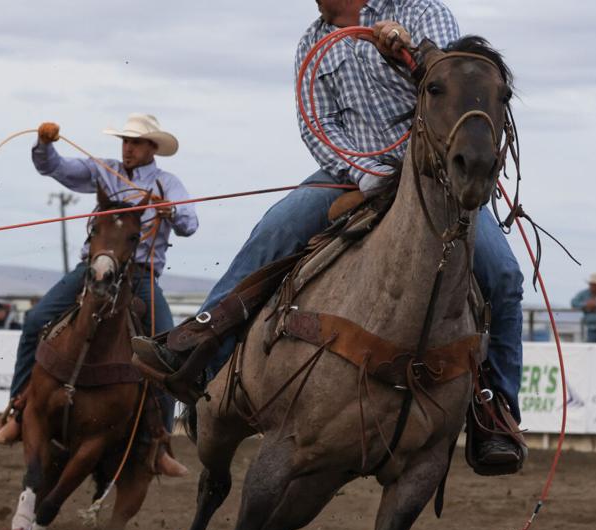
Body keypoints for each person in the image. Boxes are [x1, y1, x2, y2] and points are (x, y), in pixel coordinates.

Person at [132, 0, 526, 468]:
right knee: (275, 230)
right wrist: (360, 170)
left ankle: (494, 408)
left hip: (433, 174)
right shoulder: (311, 41)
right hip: (348, 174)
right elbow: (316, 123)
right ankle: (200, 350)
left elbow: (451, 80)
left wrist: (409, 49)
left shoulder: (419, 10)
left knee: (502, 274)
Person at [0, 113, 198, 477]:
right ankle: (20, 410)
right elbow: (55, 168)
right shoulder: (103, 170)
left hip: (140, 276)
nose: (127, 148)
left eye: (135, 142)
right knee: (36, 321)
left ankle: (158, 442)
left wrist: (173, 212)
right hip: (94, 270)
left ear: (153, 148)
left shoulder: (168, 185)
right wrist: (44, 144)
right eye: (125, 141)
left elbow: (190, 223)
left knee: (168, 353)